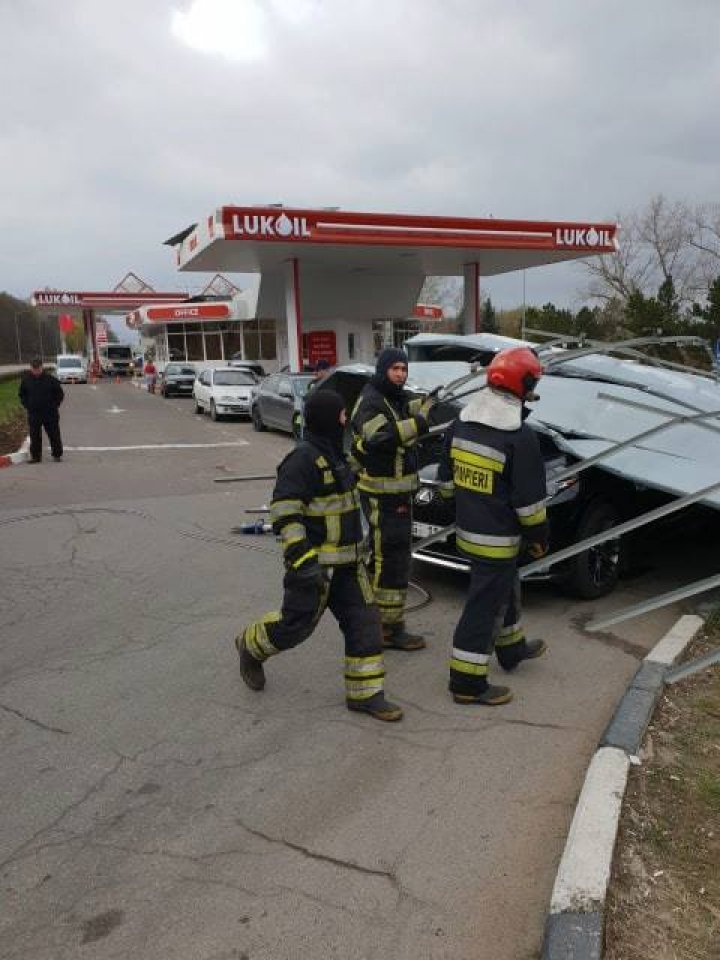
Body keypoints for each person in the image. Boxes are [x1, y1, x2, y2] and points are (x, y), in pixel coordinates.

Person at [235, 389, 403, 722]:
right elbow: (285, 511)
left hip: (349, 567)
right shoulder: (302, 460)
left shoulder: (336, 455)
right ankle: (250, 646)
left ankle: (365, 694)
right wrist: (301, 560)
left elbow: (355, 476)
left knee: (366, 624)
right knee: (294, 627)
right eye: (342, 415)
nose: (345, 420)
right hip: (315, 569)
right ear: (329, 418)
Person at [436, 347, 549, 706]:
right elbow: (529, 505)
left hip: (468, 534)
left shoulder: (460, 423)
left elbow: (445, 485)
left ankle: (512, 649)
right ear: (522, 384)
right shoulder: (520, 438)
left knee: (505, 588)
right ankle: (466, 683)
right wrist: (538, 539)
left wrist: (470, 509)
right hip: (499, 540)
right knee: (483, 607)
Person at [350, 347, 436, 650]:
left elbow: (406, 406)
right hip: (382, 495)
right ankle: (387, 629)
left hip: (397, 494)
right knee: (389, 559)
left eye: (404, 369)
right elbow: (380, 437)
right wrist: (420, 423)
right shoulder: (371, 401)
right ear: (383, 369)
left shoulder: (393, 397)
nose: (401, 374)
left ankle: (385, 623)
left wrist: (428, 402)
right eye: (395, 369)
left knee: (393, 558)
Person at [18, 357, 64, 463]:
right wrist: (27, 405)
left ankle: (57, 454)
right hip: (34, 413)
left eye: (37, 368)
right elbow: (22, 394)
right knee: (34, 436)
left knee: (54, 434)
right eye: (33, 368)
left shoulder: (50, 379)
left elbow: (59, 394)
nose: (36, 370)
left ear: (41, 367)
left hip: (50, 413)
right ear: (31, 368)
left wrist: (54, 405)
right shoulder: (26, 380)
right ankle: (36, 457)